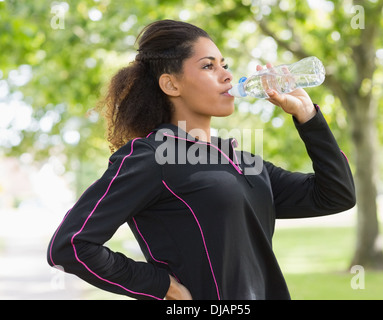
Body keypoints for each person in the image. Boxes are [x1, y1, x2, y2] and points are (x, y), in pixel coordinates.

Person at [47, 19, 355, 300]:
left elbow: (335, 195)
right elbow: (71, 245)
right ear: (171, 84)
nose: (227, 75)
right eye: (209, 66)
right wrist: (161, 285)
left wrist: (308, 117)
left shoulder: (241, 159)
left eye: (225, 64)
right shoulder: (152, 156)